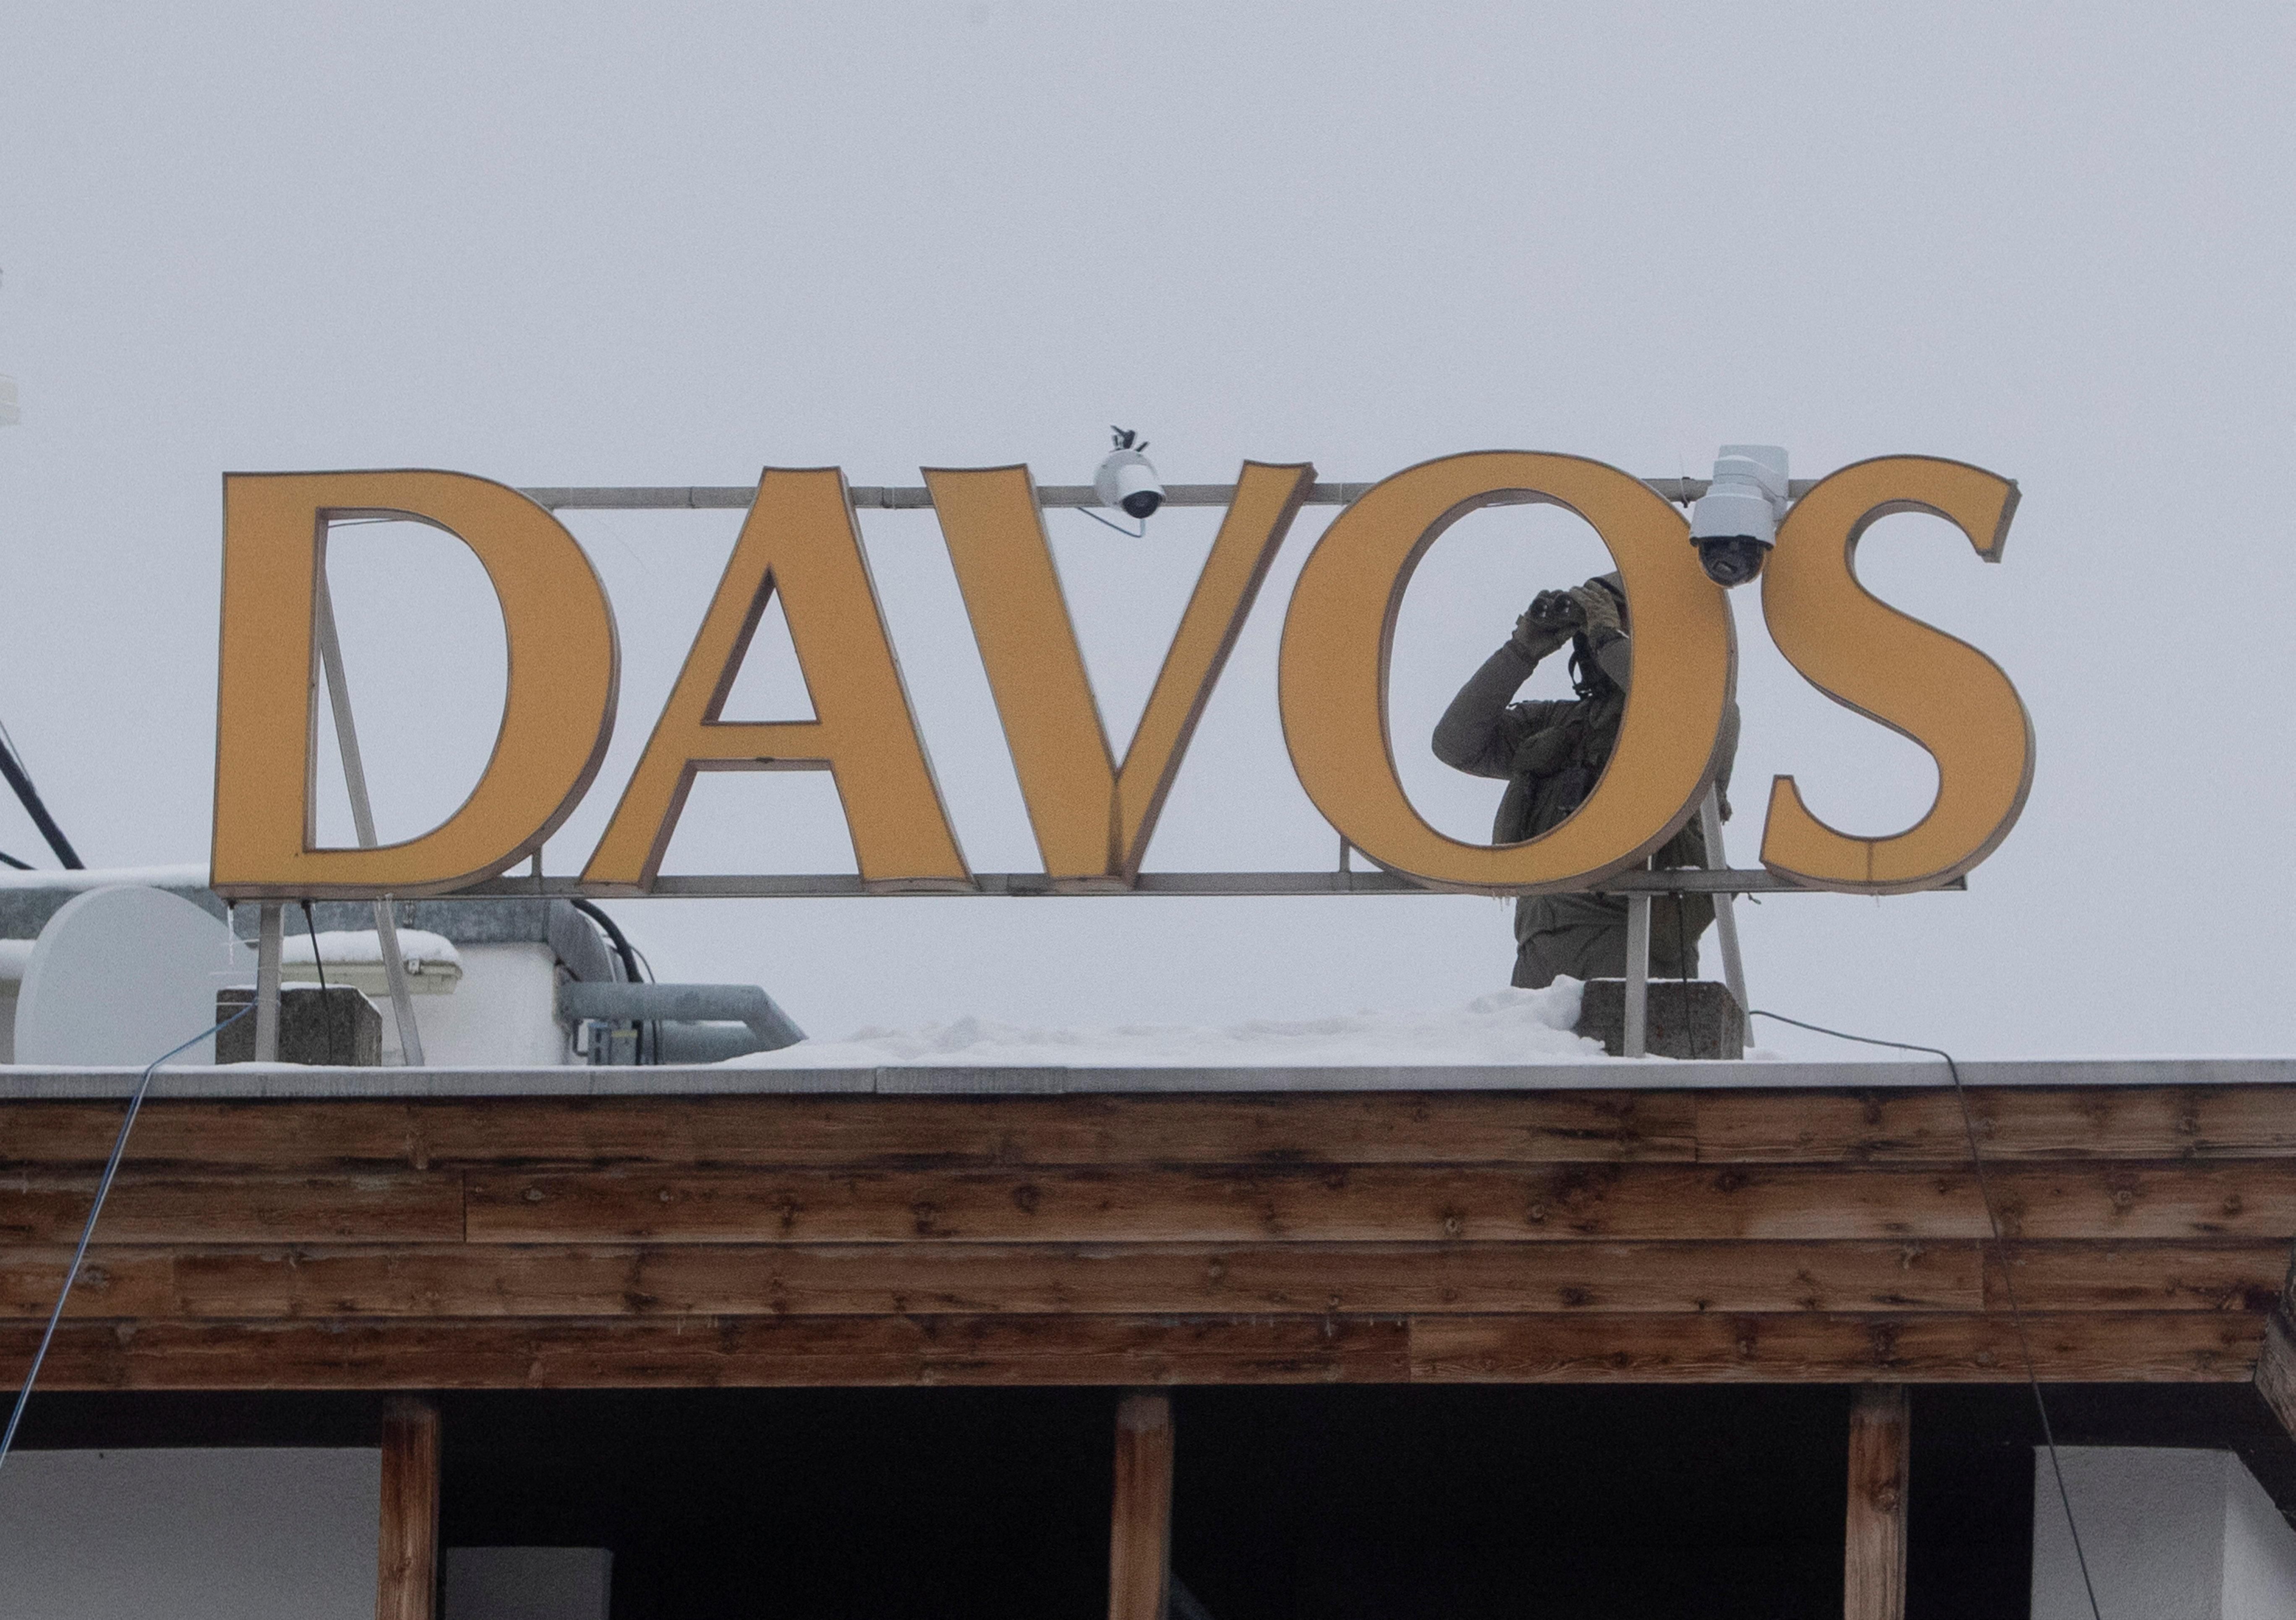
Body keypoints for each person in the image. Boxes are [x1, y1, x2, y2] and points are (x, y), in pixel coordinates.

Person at [1431, 573, 1738, 989]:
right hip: (1542, 945)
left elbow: (1673, 710)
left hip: (1635, 937)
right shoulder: (1562, 723)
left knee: (1628, 1047)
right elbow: (1455, 744)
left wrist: (1609, 639)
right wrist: (1521, 651)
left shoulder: (1703, 709)